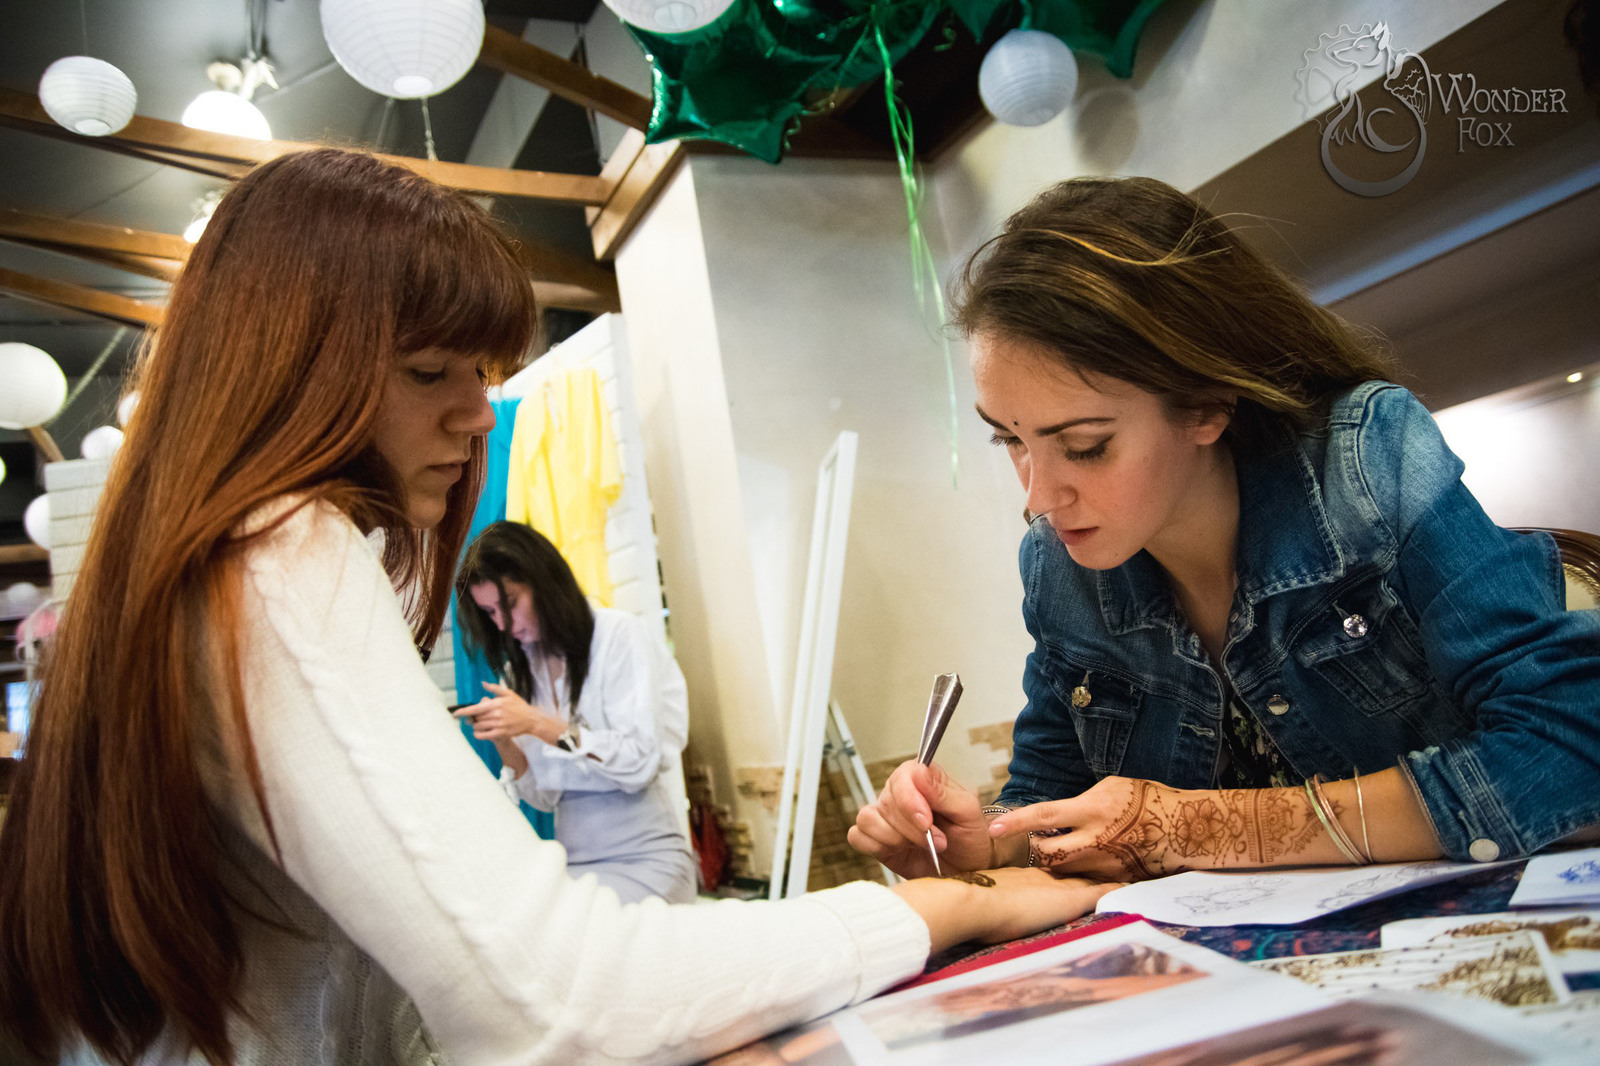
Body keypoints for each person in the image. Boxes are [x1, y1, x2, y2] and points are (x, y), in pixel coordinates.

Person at [0, 149, 1114, 1066]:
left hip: (638, 874)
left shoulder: (599, 637)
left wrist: (552, 747)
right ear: (291, 366)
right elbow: (552, 999)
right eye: (432, 370)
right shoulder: (276, 553)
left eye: (481, 373)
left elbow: (633, 771)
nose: (478, 417)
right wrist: (944, 910)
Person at [851, 176, 1600, 885]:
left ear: (1207, 406)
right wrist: (986, 843)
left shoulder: (1369, 462)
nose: (1038, 498)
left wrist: (1202, 827)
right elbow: (1053, 799)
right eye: (1009, 440)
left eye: (1084, 446)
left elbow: (1570, 747)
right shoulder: (1059, 570)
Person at [452, 520, 697, 905]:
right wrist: (503, 737)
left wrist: (536, 723)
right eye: (489, 613)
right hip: (575, 861)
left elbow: (639, 763)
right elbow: (544, 797)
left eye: (510, 604)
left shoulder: (619, 636)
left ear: (544, 582)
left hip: (648, 857)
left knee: (593, 940)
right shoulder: (523, 670)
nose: (502, 624)